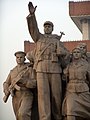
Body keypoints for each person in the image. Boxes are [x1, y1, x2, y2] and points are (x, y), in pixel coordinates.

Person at [26, 2, 69, 120]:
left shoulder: (57, 41)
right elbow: (33, 29)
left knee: (56, 95)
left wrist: (62, 54)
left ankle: (58, 117)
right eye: (45, 26)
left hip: (55, 69)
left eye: (49, 26)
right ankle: (45, 118)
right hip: (41, 69)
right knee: (43, 96)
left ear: (52, 28)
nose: (47, 28)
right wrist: (32, 16)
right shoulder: (38, 38)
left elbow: (67, 57)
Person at [3, 51, 36, 120]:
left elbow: (34, 83)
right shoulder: (12, 71)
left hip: (26, 94)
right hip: (15, 96)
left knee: (23, 114)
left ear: (24, 59)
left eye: (21, 57)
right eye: (17, 57)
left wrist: (24, 81)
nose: (19, 59)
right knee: (18, 116)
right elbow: (6, 83)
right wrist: (6, 90)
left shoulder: (29, 69)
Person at [62, 48, 90, 120]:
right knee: (70, 110)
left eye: (78, 52)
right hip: (71, 90)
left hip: (83, 90)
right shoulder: (69, 65)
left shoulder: (86, 65)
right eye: (74, 52)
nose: (76, 54)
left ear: (81, 54)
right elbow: (64, 78)